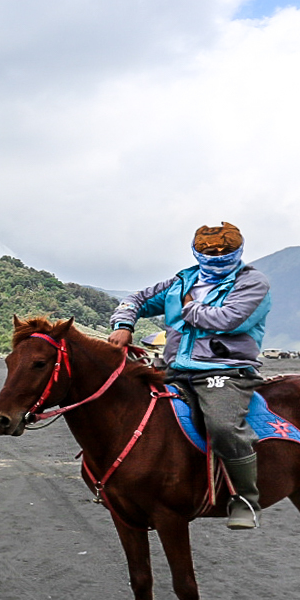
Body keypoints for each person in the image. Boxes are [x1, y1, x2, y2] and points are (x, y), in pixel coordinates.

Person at [107, 221, 271, 530]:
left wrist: (191, 309)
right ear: (196, 251)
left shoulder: (253, 283)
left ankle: (246, 500)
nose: (217, 255)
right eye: (209, 251)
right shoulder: (182, 281)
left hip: (225, 370)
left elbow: (230, 320)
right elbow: (137, 299)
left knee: (223, 426)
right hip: (176, 369)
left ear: (238, 250)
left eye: (225, 250)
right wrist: (123, 325)